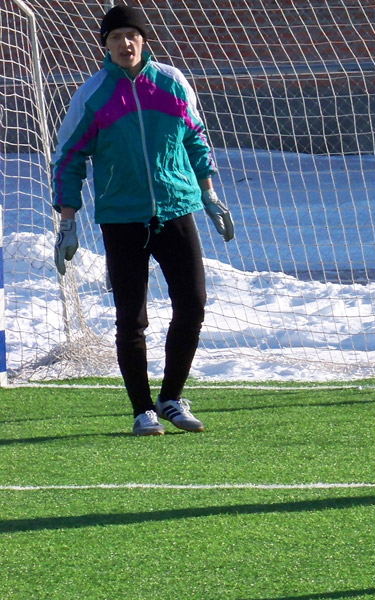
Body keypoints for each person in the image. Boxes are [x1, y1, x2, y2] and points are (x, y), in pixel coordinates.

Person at [51, 6, 234, 436]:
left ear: (144, 40)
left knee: (193, 304)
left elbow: (195, 136)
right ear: (106, 45)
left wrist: (208, 193)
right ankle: (141, 409)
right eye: (115, 37)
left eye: (131, 35)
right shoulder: (92, 95)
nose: (125, 43)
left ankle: (171, 398)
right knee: (131, 317)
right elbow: (68, 159)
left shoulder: (171, 83)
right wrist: (67, 221)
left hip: (176, 209)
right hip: (122, 218)